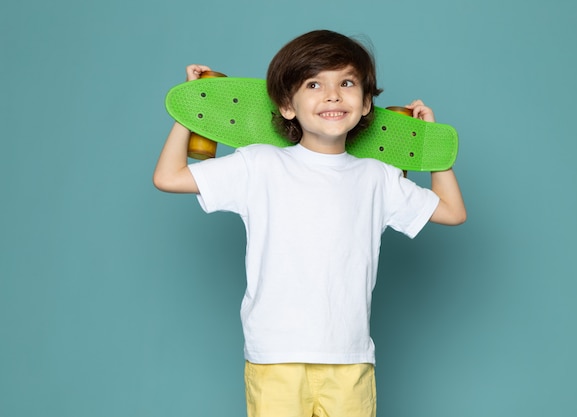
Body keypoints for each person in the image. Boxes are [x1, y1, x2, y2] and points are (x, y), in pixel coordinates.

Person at [153, 29, 466, 417]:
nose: (333, 95)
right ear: (287, 105)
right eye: (314, 84)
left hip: (350, 358)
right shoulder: (261, 164)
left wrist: (431, 143)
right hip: (275, 356)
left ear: (366, 103)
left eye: (347, 83)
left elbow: (452, 211)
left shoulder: (378, 177)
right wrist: (192, 106)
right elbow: (168, 176)